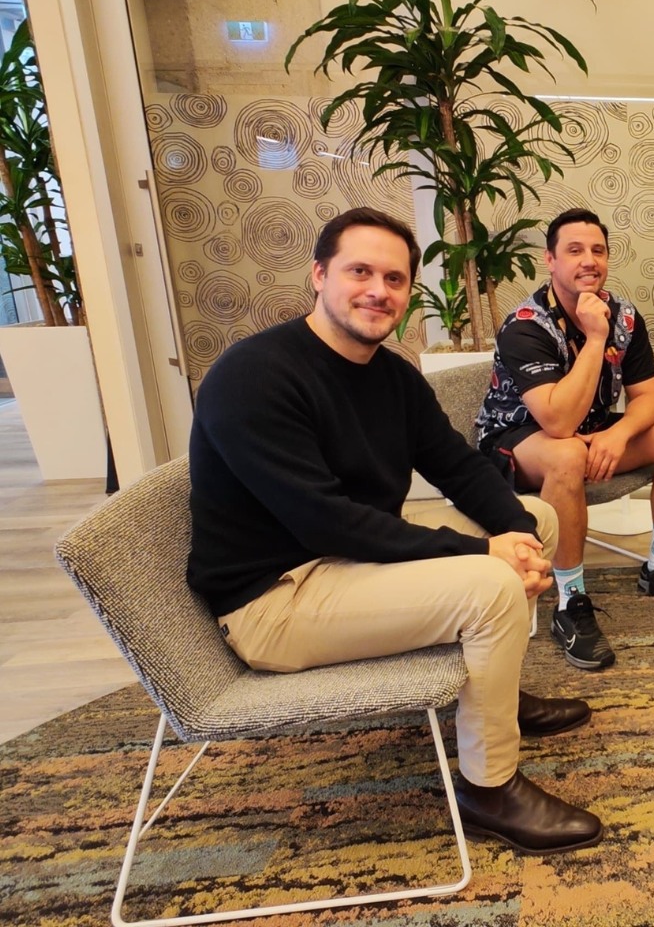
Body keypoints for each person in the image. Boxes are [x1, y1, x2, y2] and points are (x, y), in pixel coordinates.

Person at [187, 207, 602, 855]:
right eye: (359, 271)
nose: (378, 290)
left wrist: (514, 530)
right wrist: (484, 552)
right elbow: (325, 520)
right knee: (491, 584)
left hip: (347, 560)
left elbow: (460, 466)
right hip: (277, 597)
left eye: (395, 277)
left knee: (537, 519)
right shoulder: (254, 376)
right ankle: (487, 789)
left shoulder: (392, 374)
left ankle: (492, 690)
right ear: (319, 275)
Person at [479, 207, 654, 673]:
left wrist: (619, 432)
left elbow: (649, 397)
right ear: (550, 261)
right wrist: (594, 339)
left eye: (597, 250)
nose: (588, 260)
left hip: (585, 429)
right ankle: (570, 602)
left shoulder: (624, 315)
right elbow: (556, 422)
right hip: (517, 437)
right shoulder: (525, 324)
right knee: (567, 453)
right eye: (574, 251)